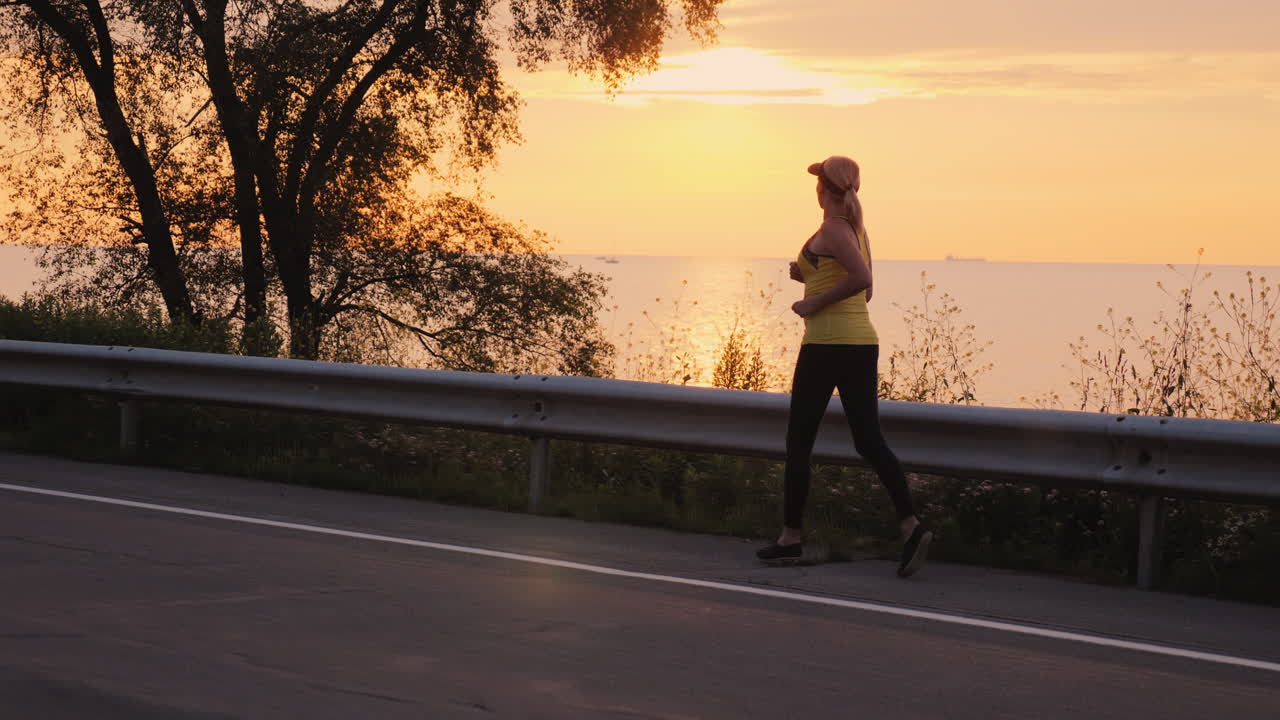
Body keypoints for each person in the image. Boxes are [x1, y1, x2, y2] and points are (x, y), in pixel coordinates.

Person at [756, 155, 932, 578]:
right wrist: (809, 277)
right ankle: (910, 527)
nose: (815, 187)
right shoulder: (856, 230)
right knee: (869, 441)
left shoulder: (835, 229)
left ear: (824, 189)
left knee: (800, 442)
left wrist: (813, 302)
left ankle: (790, 539)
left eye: (818, 181)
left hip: (826, 346)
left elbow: (861, 281)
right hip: (861, 344)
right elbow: (862, 293)